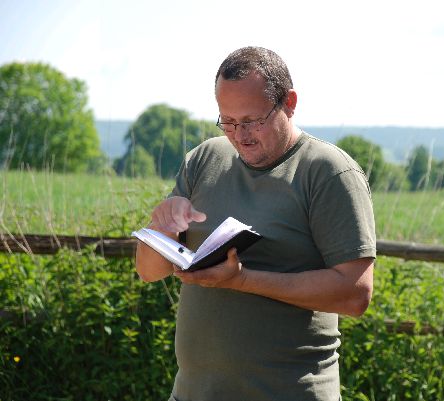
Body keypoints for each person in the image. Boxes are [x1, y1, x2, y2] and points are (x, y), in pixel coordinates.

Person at [135, 46, 377, 401]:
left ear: (289, 102)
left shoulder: (328, 172)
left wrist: (243, 280)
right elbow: (148, 271)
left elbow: (355, 295)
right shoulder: (205, 158)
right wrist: (162, 227)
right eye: (228, 121)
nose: (240, 134)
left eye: (252, 120)